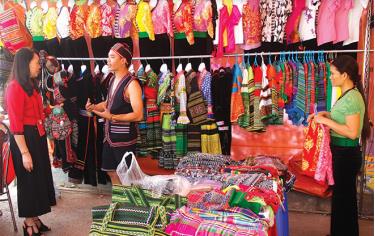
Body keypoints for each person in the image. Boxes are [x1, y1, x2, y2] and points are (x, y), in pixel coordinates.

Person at [308, 55, 369, 236]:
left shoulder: (352, 98)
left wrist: (325, 122)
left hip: (346, 154)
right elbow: (343, 120)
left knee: (344, 200)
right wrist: (326, 115)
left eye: (333, 73)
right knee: (343, 200)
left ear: (345, 75)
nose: (330, 77)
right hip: (342, 153)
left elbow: (352, 132)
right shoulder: (348, 94)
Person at [6, 48, 56, 236]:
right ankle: (28, 223)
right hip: (24, 139)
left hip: (37, 136)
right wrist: (25, 153)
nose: (38, 66)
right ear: (25, 64)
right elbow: (17, 124)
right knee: (28, 181)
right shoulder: (14, 88)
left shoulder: (31, 85)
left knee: (37, 179)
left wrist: (51, 110)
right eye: (36, 63)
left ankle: (34, 218)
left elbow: (38, 113)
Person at [86, 43, 143, 185]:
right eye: (108, 57)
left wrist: (112, 117)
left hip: (124, 137)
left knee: (128, 176)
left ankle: (130, 205)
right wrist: (93, 107)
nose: (108, 61)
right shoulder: (112, 79)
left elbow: (138, 115)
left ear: (124, 60)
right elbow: (108, 103)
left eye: (112, 57)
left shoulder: (132, 84)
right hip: (109, 136)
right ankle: (118, 202)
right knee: (111, 171)